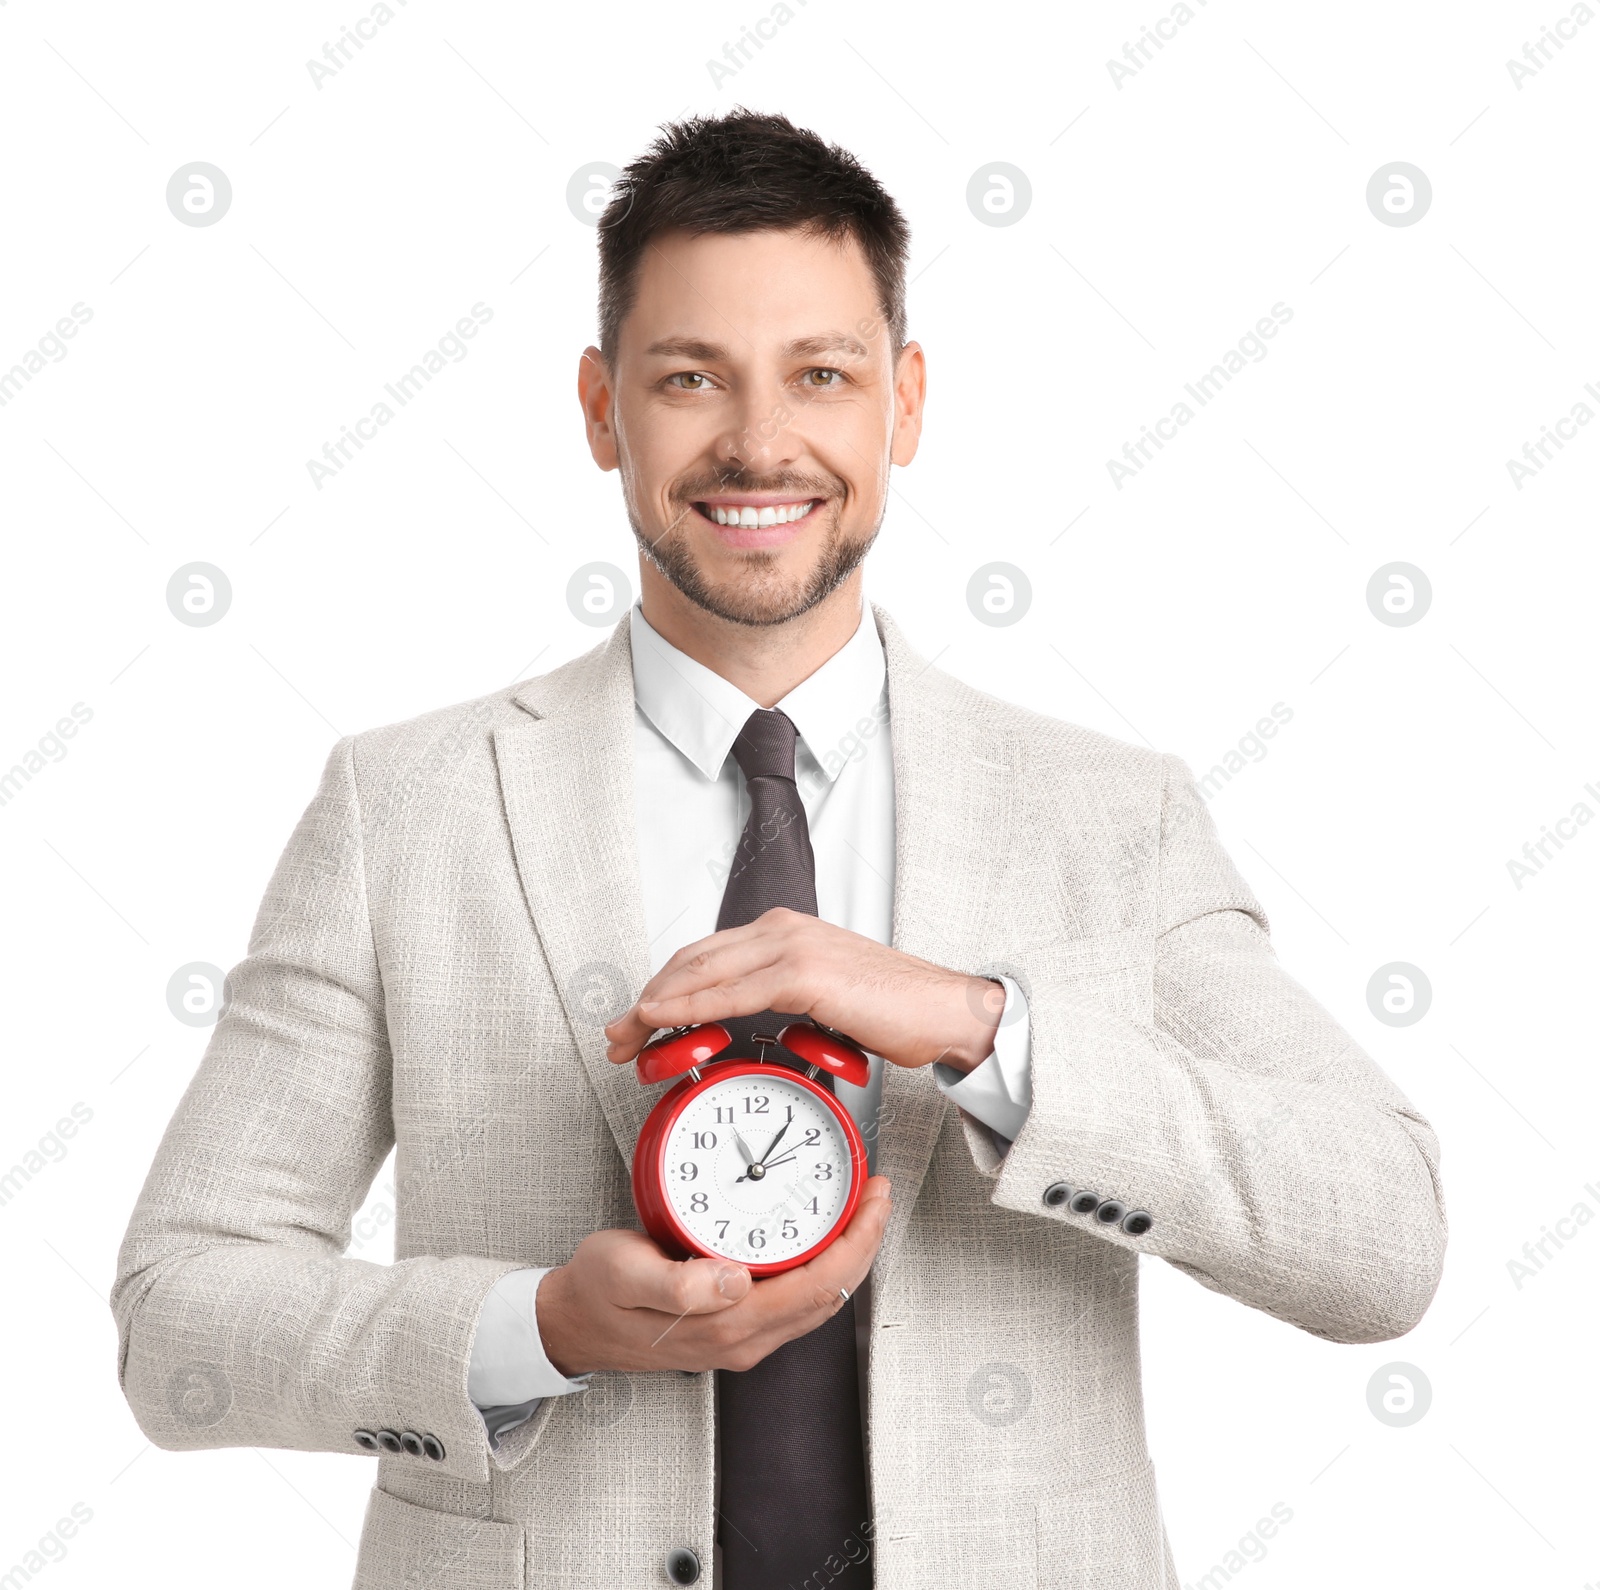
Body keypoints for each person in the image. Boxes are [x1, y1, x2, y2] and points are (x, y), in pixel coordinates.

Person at [112, 110, 1447, 1590]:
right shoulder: (404, 807)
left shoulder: (1107, 817)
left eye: (821, 374)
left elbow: (1384, 1235)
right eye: (692, 379)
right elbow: (176, 1321)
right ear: (602, 406)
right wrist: (534, 1327)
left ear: (906, 404)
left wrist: (983, 1030)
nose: (760, 442)